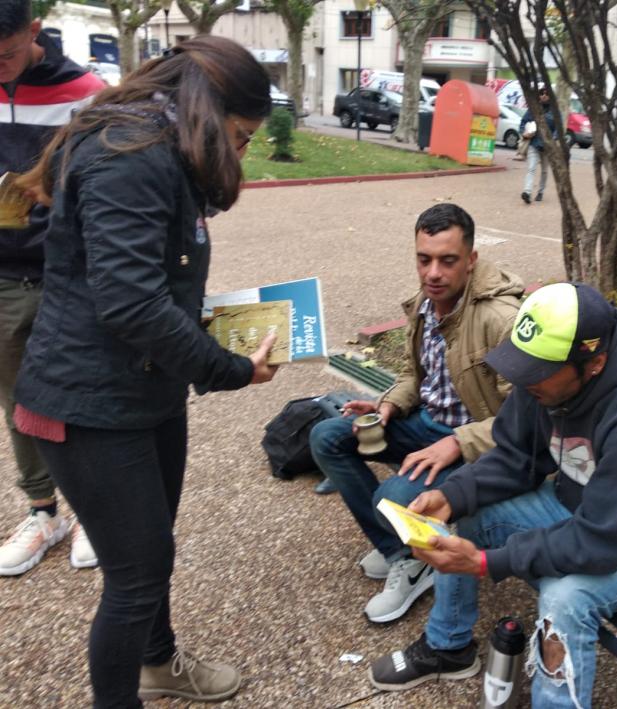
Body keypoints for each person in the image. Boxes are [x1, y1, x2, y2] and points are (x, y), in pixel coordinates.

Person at [12, 36, 278, 706]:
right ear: (209, 109)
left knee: (150, 550)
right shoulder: (128, 153)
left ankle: (157, 663)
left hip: (142, 390)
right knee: (135, 575)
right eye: (241, 136)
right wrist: (229, 367)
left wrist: (210, 324)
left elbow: (154, 280)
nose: (240, 153)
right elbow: (130, 301)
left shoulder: (158, 146)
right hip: (86, 404)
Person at [369, 282, 617, 708]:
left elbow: (601, 542)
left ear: (595, 363)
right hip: (580, 511)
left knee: (564, 600)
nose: (520, 378)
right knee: (471, 517)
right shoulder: (546, 382)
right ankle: (449, 647)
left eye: (536, 370)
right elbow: (516, 457)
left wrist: (484, 562)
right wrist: (453, 496)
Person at [310, 203, 523, 624]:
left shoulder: (502, 320)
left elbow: (524, 421)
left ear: (471, 260)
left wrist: (457, 443)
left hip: (474, 447)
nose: (433, 273)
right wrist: (389, 404)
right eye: (423, 260)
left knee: (390, 499)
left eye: (448, 261)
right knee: (327, 437)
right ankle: (402, 553)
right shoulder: (426, 305)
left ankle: (415, 559)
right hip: (428, 425)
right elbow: (416, 374)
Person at [0, 0, 104, 575]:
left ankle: (92, 512)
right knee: (19, 401)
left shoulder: (86, 92)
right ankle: (44, 513)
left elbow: (107, 181)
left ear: (34, 32)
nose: (0, 68)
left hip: (70, 274)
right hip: (4, 275)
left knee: (84, 396)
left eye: (8, 53)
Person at [519, 84, 556, 205]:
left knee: (544, 171)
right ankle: (527, 192)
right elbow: (523, 122)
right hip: (534, 144)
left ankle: (540, 192)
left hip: (547, 147)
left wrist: (552, 139)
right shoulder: (533, 109)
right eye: (541, 93)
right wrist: (524, 132)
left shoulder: (554, 111)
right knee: (531, 169)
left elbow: (558, 129)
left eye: (546, 93)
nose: (544, 95)